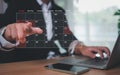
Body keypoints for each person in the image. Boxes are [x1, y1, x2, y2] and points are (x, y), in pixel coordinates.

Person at [0, 0, 110, 62]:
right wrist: (7, 34)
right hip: (27, 64)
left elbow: (66, 38)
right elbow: (5, 31)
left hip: (55, 63)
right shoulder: (18, 4)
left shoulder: (59, 10)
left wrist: (82, 48)